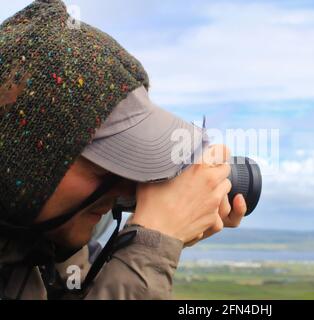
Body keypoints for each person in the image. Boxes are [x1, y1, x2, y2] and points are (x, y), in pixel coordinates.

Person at [0, 0, 247, 299]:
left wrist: (149, 237)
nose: (126, 186)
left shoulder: (33, 246)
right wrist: (149, 252)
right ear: (20, 163)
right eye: (106, 166)